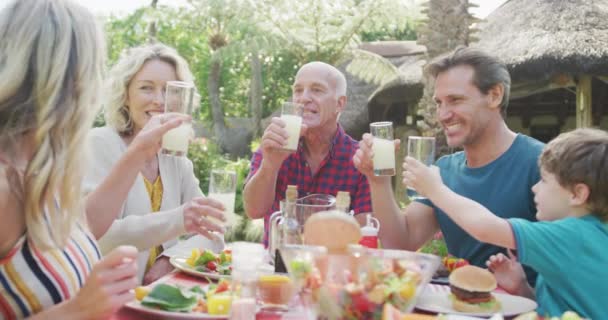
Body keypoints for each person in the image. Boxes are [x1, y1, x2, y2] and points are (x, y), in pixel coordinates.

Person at [353, 47, 543, 284]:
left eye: (455, 100)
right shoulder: (443, 170)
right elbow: (401, 243)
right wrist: (377, 180)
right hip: (457, 304)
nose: (443, 115)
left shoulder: (542, 164)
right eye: (439, 103)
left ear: (494, 95)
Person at [0, 0, 138, 318]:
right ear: (72, 77)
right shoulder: (5, 185)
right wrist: (77, 310)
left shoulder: (49, 165)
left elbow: (85, 226)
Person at [406, 128, 608, 318]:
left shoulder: (571, 236)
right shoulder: (593, 235)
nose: (535, 188)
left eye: (544, 181)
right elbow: (563, 308)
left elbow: (485, 228)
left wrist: (434, 189)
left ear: (578, 194)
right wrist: (522, 288)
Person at [84, 43, 225, 284]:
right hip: (108, 299)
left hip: (161, 300)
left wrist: (170, 259)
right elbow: (96, 234)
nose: (159, 100)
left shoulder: (176, 158)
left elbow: (214, 231)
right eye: (146, 88)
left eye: (169, 90)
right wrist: (178, 221)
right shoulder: (98, 144)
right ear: (125, 95)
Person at [243, 61, 372, 247]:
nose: (304, 98)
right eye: (298, 90)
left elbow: (364, 235)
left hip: (330, 270)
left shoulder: (360, 159)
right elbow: (253, 210)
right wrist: (270, 165)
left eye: (317, 90)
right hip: (276, 270)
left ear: (339, 104)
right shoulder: (274, 146)